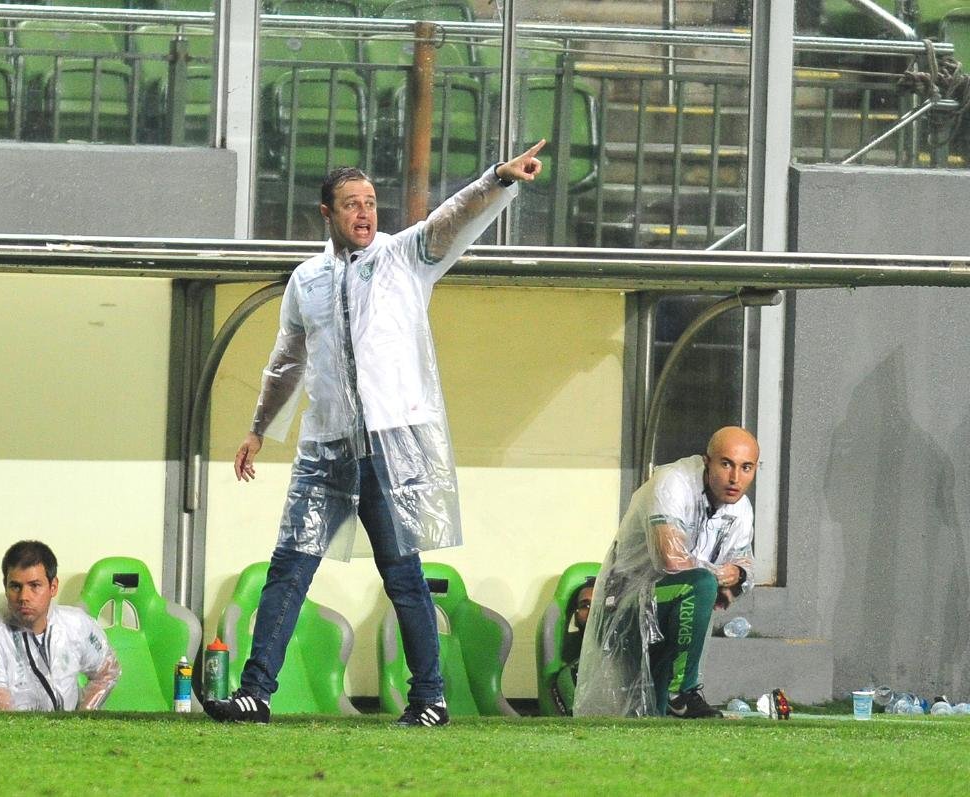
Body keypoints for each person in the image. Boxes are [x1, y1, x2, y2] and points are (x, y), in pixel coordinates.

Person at [205, 143, 546, 727]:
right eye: (351, 204)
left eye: (370, 203)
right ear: (327, 213)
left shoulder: (404, 257)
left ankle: (429, 697)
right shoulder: (306, 281)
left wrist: (498, 179)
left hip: (391, 448)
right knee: (288, 568)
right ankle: (256, 693)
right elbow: (286, 362)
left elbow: (450, 218)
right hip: (326, 448)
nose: (365, 213)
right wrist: (258, 429)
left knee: (404, 576)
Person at [574, 426, 758, 719]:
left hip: (669, 606)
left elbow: (745, 568)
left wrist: (738, 575)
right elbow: (670, 562)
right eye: (726, 464)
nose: (735, 478)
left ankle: (669, 701)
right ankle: (683, 692)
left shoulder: (741, 508)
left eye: (746, 468)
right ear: (706, 460)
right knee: (699, 585)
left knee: (653, 715)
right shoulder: (672, 481)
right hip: (624, 604)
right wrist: (720, 578)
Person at [0, 540, 121, 711]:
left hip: (64, 734)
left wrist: (82, 717)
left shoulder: (74, 625)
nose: (24, 596)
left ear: (53, 587)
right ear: (5, 587)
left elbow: (108, 671)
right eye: (15, 586)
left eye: (35, 586)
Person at [549, 577, 594, 715]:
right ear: (576, 615)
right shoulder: (569, 676)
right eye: (585, 606)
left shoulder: (634, 664)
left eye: (600, 603)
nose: (593, 611)